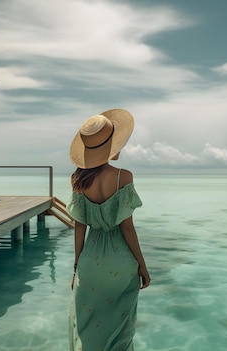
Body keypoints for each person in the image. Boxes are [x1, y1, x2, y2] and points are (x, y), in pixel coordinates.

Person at [67, 108, 151, 351]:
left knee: (88, 326)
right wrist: (142, 266)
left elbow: (79, 227)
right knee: (120, 328)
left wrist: (76, 268)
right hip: (120, 261)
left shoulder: (78, 180)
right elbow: (127, 228)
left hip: (90, 261)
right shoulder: (123, 177)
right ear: (112, 145)